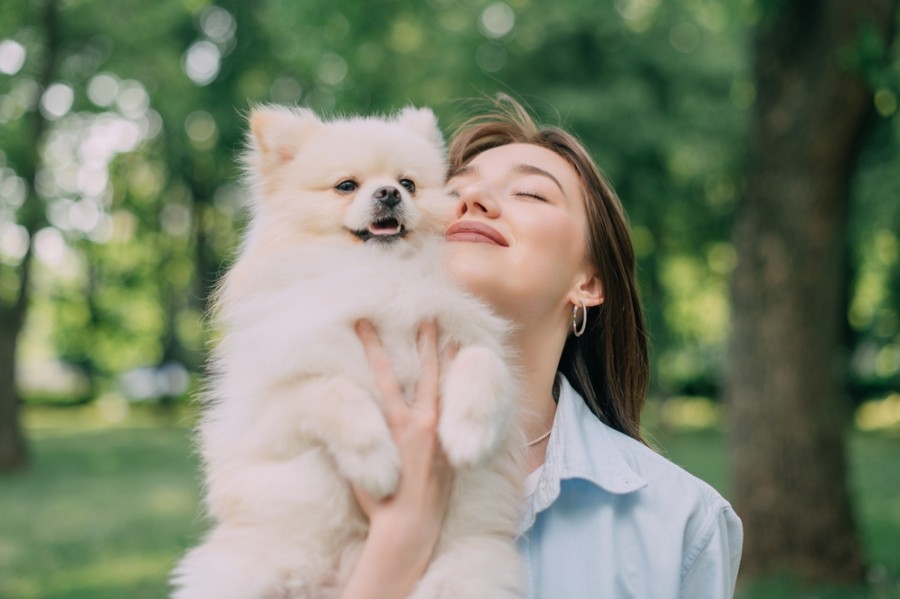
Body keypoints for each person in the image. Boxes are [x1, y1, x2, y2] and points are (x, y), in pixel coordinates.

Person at [342, 96, 743, 598]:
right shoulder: (318, 436)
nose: (472, 201)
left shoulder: (682, 520)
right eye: (454, 190)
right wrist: (396, 546)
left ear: (589, 282)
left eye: (530, 194)